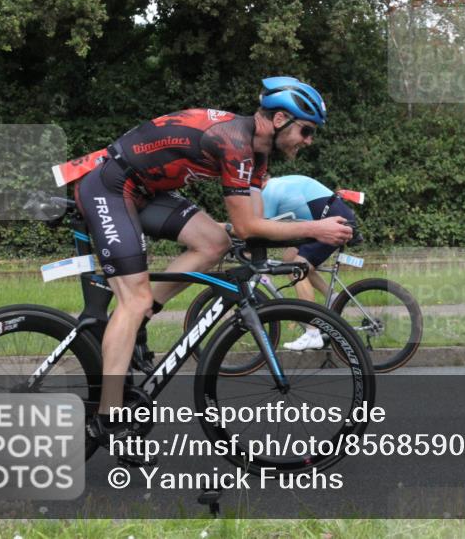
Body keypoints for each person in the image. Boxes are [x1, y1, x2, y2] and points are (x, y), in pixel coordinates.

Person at [73, 76, 353, 465]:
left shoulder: (258, 154)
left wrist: (268, 249)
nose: (309, 141)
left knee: (214, 243)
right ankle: (109, 419)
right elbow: (248, 227)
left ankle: (138, 319)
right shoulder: (235, 142)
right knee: (132, 299)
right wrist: (315, 228)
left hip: (146, 191)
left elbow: (250, 226)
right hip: (110, 185)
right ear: (280, 119)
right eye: (306, 130)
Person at [260, 175, 357, 350]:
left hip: (332, 222)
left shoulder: (269, 191)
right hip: (326, 220)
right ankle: (335, 299)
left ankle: (312, 333)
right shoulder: (279, 184)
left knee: (298, 266)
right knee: (289, 260)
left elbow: (262, 231)